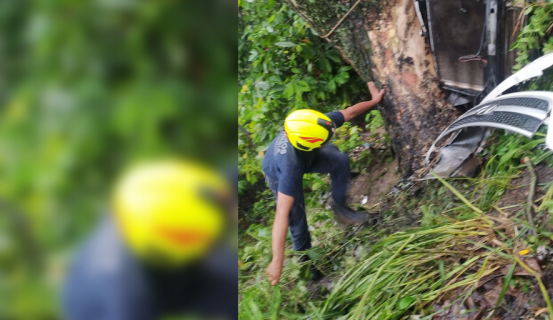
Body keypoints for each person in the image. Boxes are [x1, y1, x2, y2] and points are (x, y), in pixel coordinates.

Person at [61, 160, 237, 320]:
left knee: (228, 279)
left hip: (167, 263)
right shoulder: (122, 289)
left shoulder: (187, 194)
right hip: (126, 292)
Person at [264, 81, 385, 285]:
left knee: (339, 160)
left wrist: (374, 100)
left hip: (305, 154)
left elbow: (349, 112)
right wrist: (277, 260)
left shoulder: (313, 125)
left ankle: (341, 210)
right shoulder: (290, 169)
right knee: (297, 220)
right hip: (278, 171)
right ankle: (307, 266)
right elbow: (281, 216)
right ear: (312, 143)